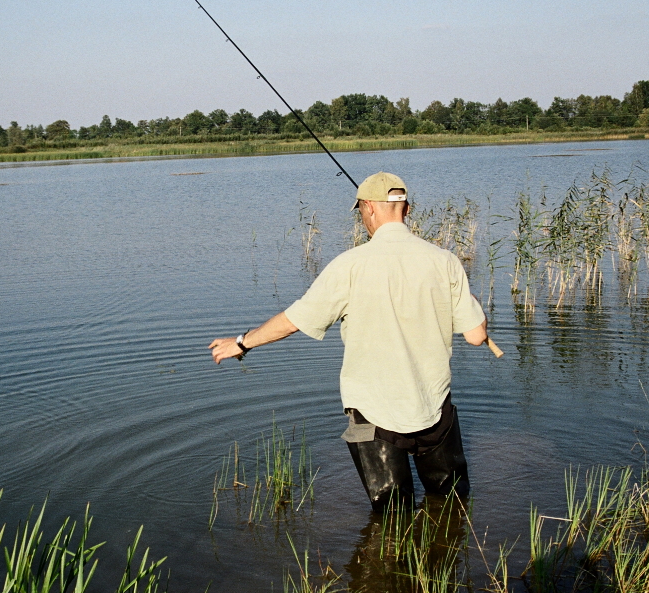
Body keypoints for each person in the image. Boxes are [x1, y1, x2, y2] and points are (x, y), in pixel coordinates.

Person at [209, 172, 489, 511]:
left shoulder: (349, 265)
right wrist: (471, 300)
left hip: (373, 416)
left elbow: (292, 322)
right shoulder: (445, 261)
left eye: (360, 211)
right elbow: (476, 336)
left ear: (369, 208)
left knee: (390, 518)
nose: (362, 218)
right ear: (407, 209)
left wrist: (242, 343)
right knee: (452, 504)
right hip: (435, 409)